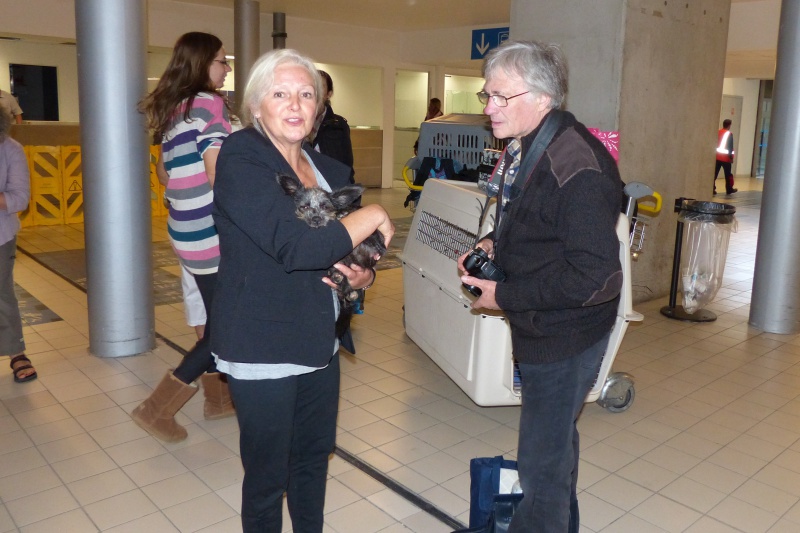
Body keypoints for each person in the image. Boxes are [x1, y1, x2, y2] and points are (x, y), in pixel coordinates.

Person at [211, 48, 394, 533]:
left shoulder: (328, 168)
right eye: (280, 93)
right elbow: (297, 248)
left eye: (306, 94)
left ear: (319, 106)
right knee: (269, 475)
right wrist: (372, 213)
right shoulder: (242, 156)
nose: (294, 104)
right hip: (263, 342)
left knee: (314, 459)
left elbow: (358, 254)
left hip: (319, 341)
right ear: (256, 106)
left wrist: (362, 278)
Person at [458, 40, 623, 532]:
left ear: (544, 98)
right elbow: (529, 217)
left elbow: (595, 275)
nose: (489, 107)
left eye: (501, 97)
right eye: (486, 95)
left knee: (540, 463)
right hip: (544, 324)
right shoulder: (531, 144)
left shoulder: (579, 167)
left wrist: (503, 295)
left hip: (565, 334)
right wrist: (492, 244)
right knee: (554, 441)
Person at [132, 31, 234, 443]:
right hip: (210, 229)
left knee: (214, 317)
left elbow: (165, 174)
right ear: (202, 63)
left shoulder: (175, 110)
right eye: (222, 60)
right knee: (224, 329)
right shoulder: (211, 105)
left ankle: (219, 401)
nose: (227, 69)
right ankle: (157, 409)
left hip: (185, 228)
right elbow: (218, 173)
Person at [0, 103, 36, 383]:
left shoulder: (10, 149)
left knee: (2, 294)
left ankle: (15, 351)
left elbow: (20, 198)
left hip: (1, 235)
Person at [311, 70, 354, 181]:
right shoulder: (294, 121)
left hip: (330, 185)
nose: (316, 90)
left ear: (329, 94)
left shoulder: (338, 125)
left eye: (321, 86)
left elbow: (346, 164)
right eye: (312, 85)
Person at [714, 118, 737, 194]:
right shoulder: (729, 134)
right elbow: (730, 146)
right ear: (729, 125)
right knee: (728, 175)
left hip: (717, 156)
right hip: (726, 158)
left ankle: (712, 188)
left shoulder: (718, 132)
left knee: (715, 174)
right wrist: (731, 157)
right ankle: (729, 189)